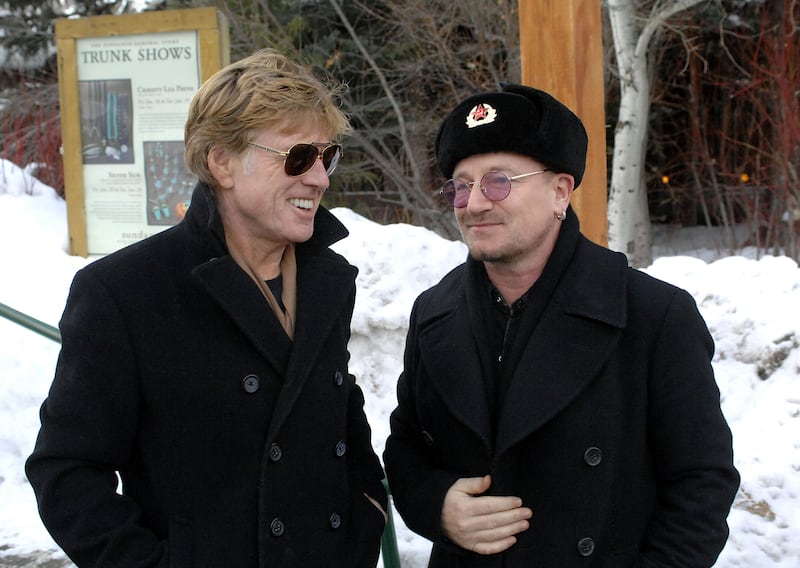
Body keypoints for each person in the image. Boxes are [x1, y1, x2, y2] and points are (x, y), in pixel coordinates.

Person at [26, 48, 387, 567]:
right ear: (222, 162)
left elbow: (340, 420)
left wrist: (366, 514)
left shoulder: (328, 282)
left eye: (326, 157)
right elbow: (67, 470)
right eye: (297, 156)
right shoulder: (126, 291)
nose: (320, 178)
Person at [383, 83, 740, 567]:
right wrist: (439, 507)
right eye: (461, 186)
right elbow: (407, 447)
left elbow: (701, 485)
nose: (475, 203)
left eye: (499, 181)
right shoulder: (434, 313)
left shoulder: (653, 315)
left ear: (560, 192)